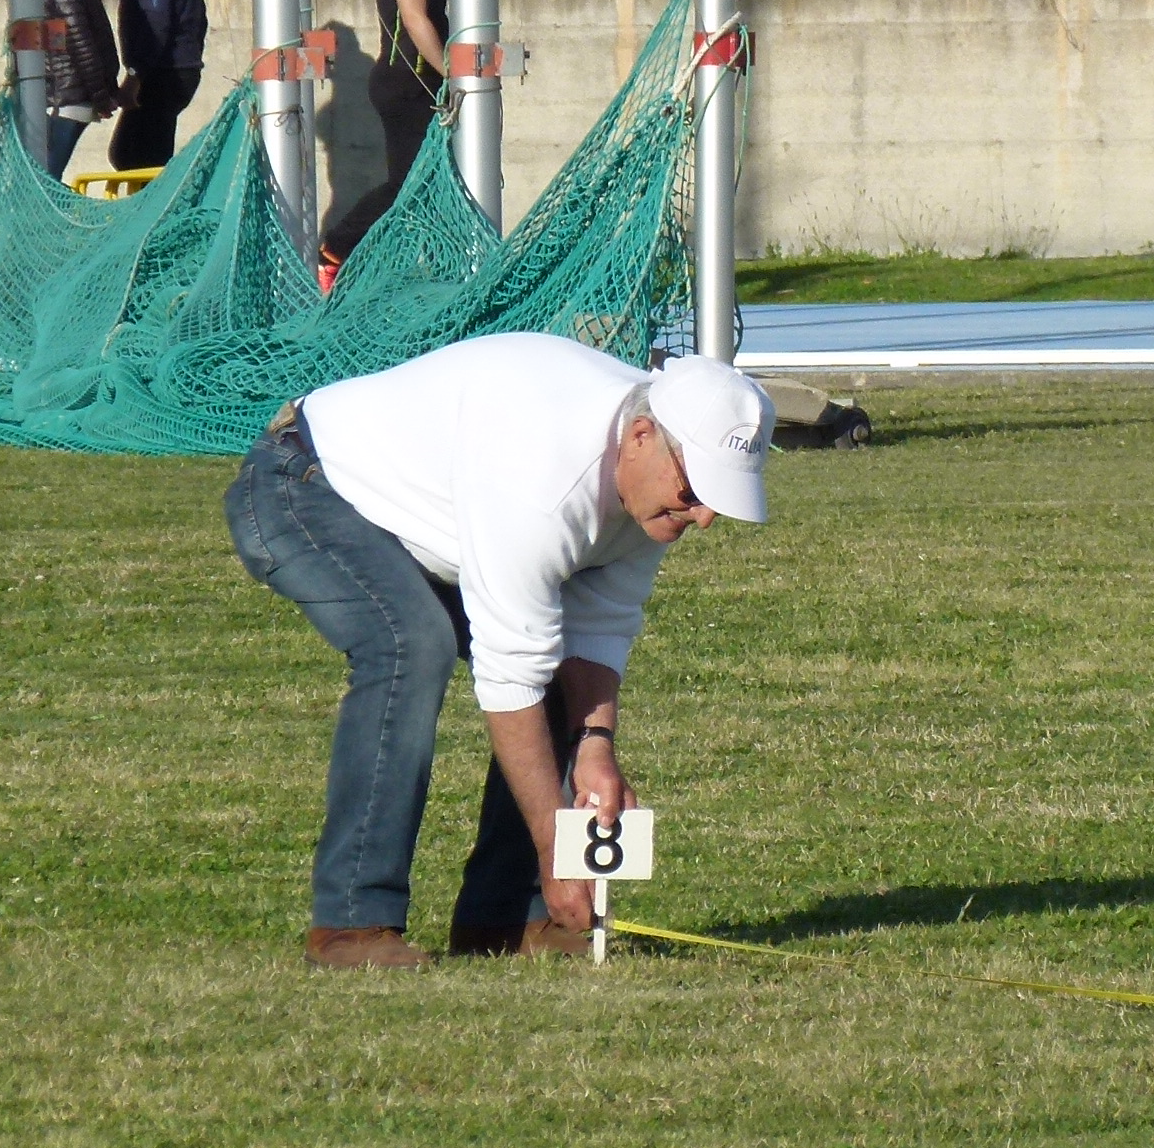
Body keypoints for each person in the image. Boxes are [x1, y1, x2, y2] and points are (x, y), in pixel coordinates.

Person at [224, 333, 775, 970]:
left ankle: (502, 919)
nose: (702, 517)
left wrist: (596, 744)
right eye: (694, 490)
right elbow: (511, 674)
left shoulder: (647, 491)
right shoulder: (541, 473)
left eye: (715, 499)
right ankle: (350, 924)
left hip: (438, 523)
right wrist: (554, 847)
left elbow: (597, 629)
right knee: (410, 644)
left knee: (552, 675)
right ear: (642, 436)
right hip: (306, 480)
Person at [320, 0, 451, 271]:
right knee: (407, 184)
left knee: (427, 184)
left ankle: (427, 264)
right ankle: (334, 250)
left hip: (413, 83)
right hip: (407, 84)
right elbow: (414, 19)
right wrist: (452, 73)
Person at [102, 0, 208, 172]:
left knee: (133, 156)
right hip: (181, 66)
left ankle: (159, 201)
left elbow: (154, 20)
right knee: (135, 154)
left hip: (163, 72)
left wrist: (136, 75)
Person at [37, 0, 121, 180]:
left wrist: (101, 97)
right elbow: (55, 44)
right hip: (63, 99)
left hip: (66, 101)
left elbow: (82, 46)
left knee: (44, 178)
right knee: (43, 176)